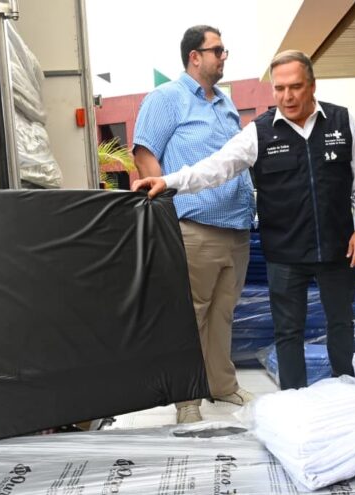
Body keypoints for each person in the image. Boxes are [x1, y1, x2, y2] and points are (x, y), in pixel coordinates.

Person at [132, 49, 355, 391]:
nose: (287, 96)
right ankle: (295, 400)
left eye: (295, 87)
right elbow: (216, 167)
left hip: (338, 249)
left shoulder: (341, 121)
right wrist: (168, 181)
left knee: (341, 324)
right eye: (279, 88)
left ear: (312, 85)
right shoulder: (259, 132)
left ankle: (346, 392)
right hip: (285, 253)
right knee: (288, 332)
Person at [132, 25, 256, 424]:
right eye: (217, 50)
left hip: (236, 228)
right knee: (191, 316)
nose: (224, 56)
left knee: (223, 313)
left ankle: (221, 384)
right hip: (194, 227)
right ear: (194, 56)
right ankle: (187, 399)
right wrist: (164, 213)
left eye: (224, 50)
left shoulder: (225, 103)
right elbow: (144, 154)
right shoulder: (167, 98)